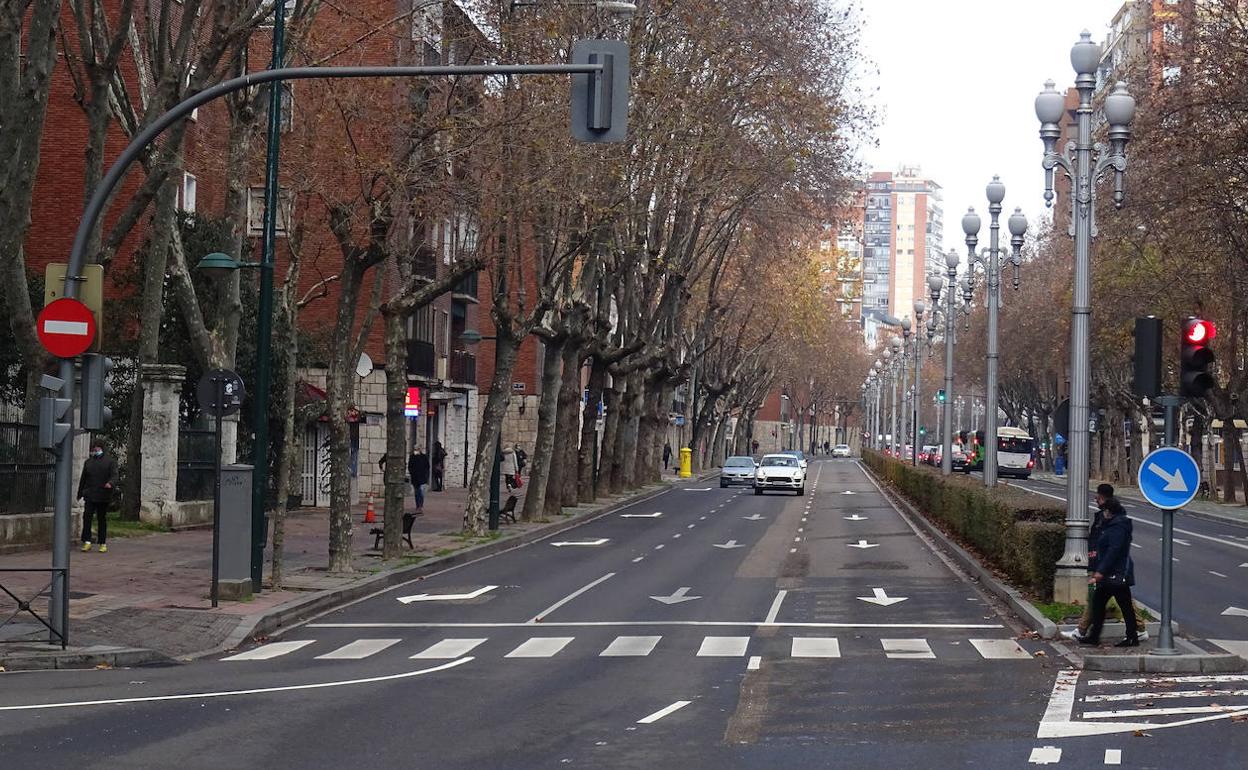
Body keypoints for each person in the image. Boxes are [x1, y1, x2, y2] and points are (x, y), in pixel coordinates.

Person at [1065, 484, 1148, 642]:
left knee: (1119, 604)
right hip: (1112, 572)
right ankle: (1094, 635)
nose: (1096, 501)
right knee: (1106, 603)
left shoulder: (1116, 526)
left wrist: (1099, 572)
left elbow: (1113, 550)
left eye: (1096, 498)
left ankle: (1132, 633)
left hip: (1115, 572)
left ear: (1108, 510)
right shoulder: (1111, 523)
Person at [77, 442, 117, 553]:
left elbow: (114, 475)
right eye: (94, 449)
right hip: (90, 494)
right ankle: (87, 541)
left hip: (103, 495)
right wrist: (80, 493)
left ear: (102, 449)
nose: (95, 451)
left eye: (98, 448)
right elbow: (83, 479)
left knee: (101, 519)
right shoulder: (89, 463)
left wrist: (110, 483)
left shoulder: (110, 462)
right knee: (87, 517)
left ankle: (102, 542)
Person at [408, 447, 430, 514]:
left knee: (421, 492)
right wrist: (412, 473)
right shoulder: (412, 457)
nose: (416, 451)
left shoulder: (424, 457)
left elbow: (427, 466)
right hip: (415, 477)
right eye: (415, 449)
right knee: (417, 492)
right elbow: (410, 466)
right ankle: (418, 505)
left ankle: (420, 504)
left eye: (417, 449)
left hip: (422, 477)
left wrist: (425, 474)